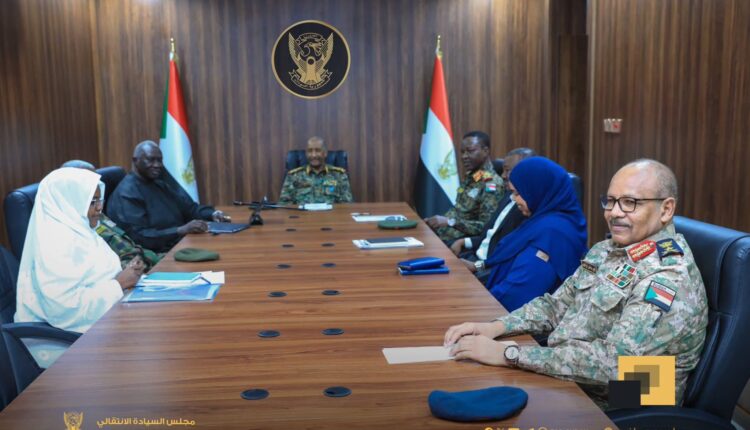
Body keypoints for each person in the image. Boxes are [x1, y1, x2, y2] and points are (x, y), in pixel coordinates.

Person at [444, 159, 708, 408]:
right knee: (467, 381)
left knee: (490, 405)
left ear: (666, 209)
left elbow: (616, 364)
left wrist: (510, 354)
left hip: (633, 396)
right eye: (611, 201)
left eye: (630, 203)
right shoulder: (608, 249)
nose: (615, 213)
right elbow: (556, 305)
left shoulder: (667, 275)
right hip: (579, 373)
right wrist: (495, 327)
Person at [15, 168, 144, 334]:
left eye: (99, 200)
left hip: (103, 319)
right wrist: (119, 284)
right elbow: (63, 310)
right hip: (66, 340)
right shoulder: (55, 244)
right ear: (68, 202)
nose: (99, 208)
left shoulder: (81, 230)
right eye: (92, 202)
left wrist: (127, 272)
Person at [467, 157, 587, 311]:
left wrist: (473, 303)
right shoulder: (540, 219)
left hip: (514, 316)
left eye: (518, 193)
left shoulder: (553, 234)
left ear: (538, 191)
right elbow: (506, 257)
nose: (513, 199)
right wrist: (478, 266)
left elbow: (516, 294)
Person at [106, 140, 230, 253]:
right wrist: (180, 230)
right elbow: (139, 237)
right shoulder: (127, 193)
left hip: (182, 244)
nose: (157, 165)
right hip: (159, 255)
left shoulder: (158, 184)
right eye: (150, 160)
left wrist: (212, 214)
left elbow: (190, 209)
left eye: (159, 160)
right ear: (135, 160)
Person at [450, 148, 536, 283]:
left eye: (508, 170)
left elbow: (508, 253)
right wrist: (463, 242)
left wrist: (477, 266)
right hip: (475, 256)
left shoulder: (526, 208)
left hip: (487, 268)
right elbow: (490, 234)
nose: (503, 175)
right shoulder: (508, 196)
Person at [61, 160, 162, 270]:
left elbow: (128, 246)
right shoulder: (67, 227)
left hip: (144, 261)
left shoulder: (94, 209)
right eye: (88, 181)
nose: (96, 185)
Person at [425, 131, 503, 243]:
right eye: (462, 152)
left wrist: (449, 221)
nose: (464, 156)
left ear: (485, 151)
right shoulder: (473, 176)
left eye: (470, 151)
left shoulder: (492, 184)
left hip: (459, 242)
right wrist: (435, 222)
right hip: (444, 234)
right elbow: (460, 211)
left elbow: (486, 227)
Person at [278, 136, 353, 205]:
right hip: (302, 215)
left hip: (331, 215)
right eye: (310, 151)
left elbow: (346, 205)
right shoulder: (293, 176)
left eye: (318, 151)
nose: (313, 155)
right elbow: (284, 205)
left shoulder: (339, 175)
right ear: (306, 154)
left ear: (325, 153)